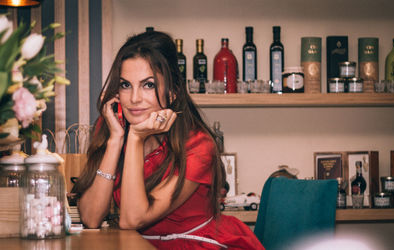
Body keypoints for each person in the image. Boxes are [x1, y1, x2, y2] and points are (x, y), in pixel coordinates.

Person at [71, 31, 264, 249]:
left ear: (172, 92)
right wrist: (115, 141)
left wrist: (135, 137)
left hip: (199, 244)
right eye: (126, 85)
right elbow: (91, 218)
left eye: (148, 85)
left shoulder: (199, 145)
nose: (134, 98)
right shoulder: (114, 128)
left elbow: (131, 219)